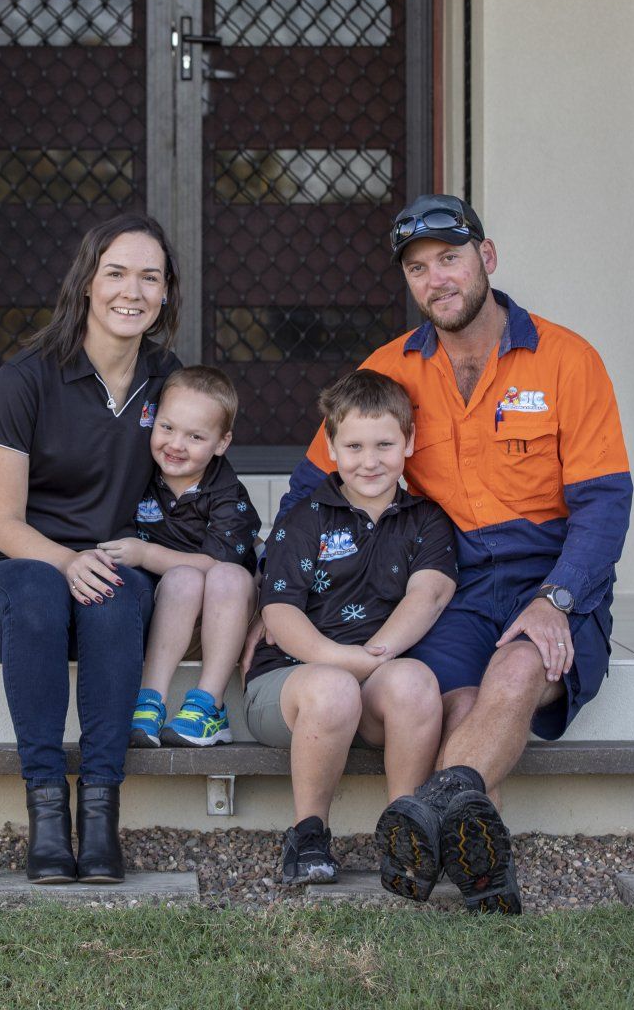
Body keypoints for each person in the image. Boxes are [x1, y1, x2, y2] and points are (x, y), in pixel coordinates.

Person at [276, 193, 633, 913]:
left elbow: (605, 502)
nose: (436, 279)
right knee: (459, 700)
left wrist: (558, 598)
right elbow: (308, 491)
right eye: (417, 268)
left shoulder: (567, 359)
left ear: (486, 259)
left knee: (518, 664)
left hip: (552, 572)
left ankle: (423, 818)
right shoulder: (389, 370)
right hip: (452, 579)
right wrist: (274, 591)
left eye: (450, 258)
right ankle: (483, 876)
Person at [0, 214, 182, 885]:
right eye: (116, 272)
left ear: (167, 293)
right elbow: (3, 521)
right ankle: (48, 815)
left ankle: (102, 818)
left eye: (150, 277)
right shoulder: (25, 378)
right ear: (87, 282)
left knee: (112, 594)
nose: (131, 291)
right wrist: (65, 561)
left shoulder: (169, 382)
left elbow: (200, 490)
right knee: (38, 587)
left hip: (110, 578)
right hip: (15, 583)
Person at [245, 370, 457, 887]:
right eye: (355, 446)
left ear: (408, 442)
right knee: (335, 688)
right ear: (332, 449)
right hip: (293, 686)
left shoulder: (426, 519)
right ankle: (308, 834)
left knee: (416, 682)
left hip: (375, 671)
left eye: (385, 444)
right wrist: (345, 661)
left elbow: (427, 594)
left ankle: (404, 830)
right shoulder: (305, 517)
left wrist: (377, 653)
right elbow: (280, 615)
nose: (370, 460)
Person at [96, 365, 260, 748]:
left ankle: (208, 706)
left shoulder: (228, 495)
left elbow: (218, 563)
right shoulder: (139, 475)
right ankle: (149, 702)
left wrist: (145, 553)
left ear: (222, 443)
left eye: (196, 436)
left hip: (226, 619)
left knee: (226, 576)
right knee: (183, 578)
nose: (176, 444)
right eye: (167, 428)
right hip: (168, 616)